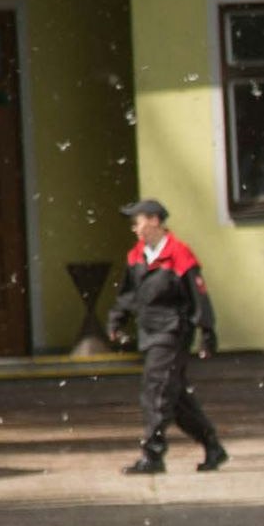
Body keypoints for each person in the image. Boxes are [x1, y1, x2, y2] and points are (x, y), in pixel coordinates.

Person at [106, 198, 226, 475]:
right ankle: (213, 446)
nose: (135, 229)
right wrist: (116, 320)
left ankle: (153, 454)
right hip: (149, 332)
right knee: (176, 397)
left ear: (155, 221)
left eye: (137, 222)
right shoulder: (137, 255)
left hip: (172, 332)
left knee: (156, 390)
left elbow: (199, 297)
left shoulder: (179, 254)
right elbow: (128, 294)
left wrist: (206, 332)